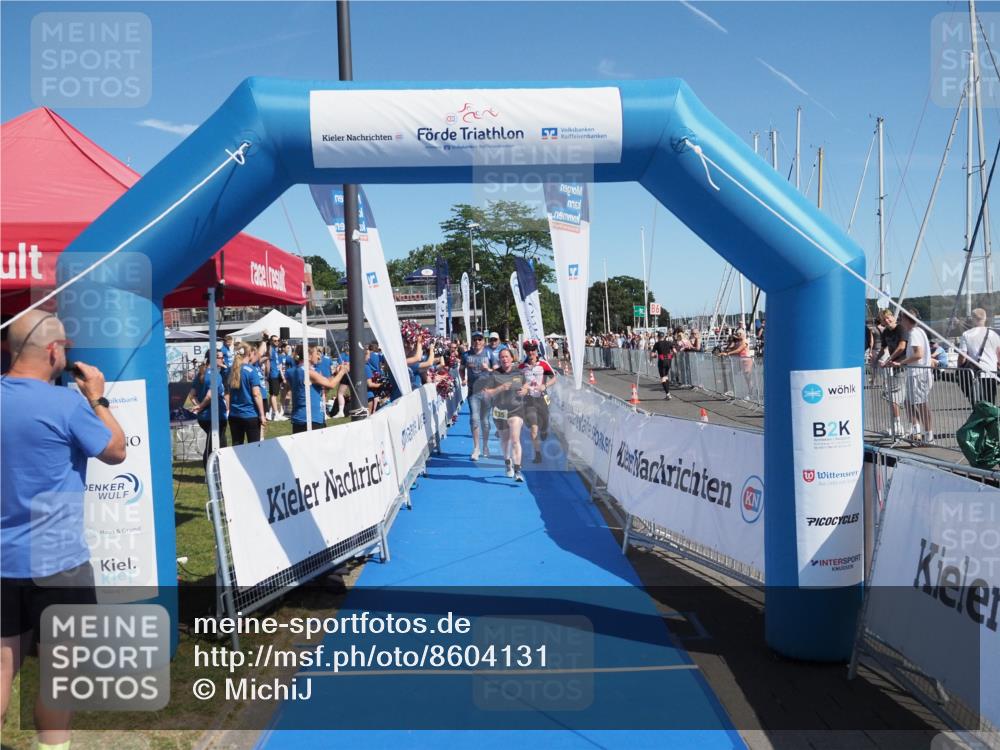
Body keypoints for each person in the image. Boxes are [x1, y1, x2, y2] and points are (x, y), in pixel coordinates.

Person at [1, 310, 127, 750]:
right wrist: (98, 398)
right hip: (59, 565)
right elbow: (116, 450)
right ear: (54, 352)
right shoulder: (67, 405)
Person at [481, 348, 527, 481]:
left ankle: (518, 470)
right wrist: (500, 388)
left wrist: (524, 391)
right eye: (502, 357)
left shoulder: (519, 373)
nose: (504, 359)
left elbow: (525, 386)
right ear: (499, 360)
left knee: (515, 439)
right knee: (505, 440)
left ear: (512, 358)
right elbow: (486, 393)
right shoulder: (494, 374)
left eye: (507, 356)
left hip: (516, 410)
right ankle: (507, 462)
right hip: (500, 411)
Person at [288, 346, 349, 432]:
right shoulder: (308, 372)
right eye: (316, 353)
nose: (318, 356)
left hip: (304, 417)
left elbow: (326, 382)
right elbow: (331, 385)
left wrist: (336, 374)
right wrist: (342, 371)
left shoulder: (296, 371)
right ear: (309, 356)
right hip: (310, 419)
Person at [897, 310, 934, 445]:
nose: (900, 321)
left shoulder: (914, 333)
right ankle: (916, 431)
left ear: (907, 319)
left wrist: (901, 362)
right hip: (916, 373)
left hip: (918, 373)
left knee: (921, 404)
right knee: (909, 402)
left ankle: (928, 435)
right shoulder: (918, 331)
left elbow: (918, 354)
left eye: (901, 318)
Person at [187, 350, 229, 468]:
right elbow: (210, 395)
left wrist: (198, 406)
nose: (223, 360)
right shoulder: (214, 375)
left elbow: (192, 395)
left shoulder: (201, 373)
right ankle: (209, 473)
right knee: (212, 446)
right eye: (220, 357)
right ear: (214, 359)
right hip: (214, 416)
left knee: (220, 444)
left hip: (205, 417)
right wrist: (200, 406)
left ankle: (220, 471)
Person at [519, 340, 556, 463]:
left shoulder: (543, 364)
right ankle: (538, 454)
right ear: (525, 352)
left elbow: (554, 378)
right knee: (534, 428)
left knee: (544, 423)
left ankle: (544, 429)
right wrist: (523, 387)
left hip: (542, 399)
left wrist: (545, 386)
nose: (531, 352)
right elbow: (516, 381)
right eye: (528, 350)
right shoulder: (522, 367)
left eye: (533, 350)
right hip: (529, 400)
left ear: (536, 350)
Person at [461, 332, 493, 460]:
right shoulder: (466, 355)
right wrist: (463, 378)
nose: (477, 342)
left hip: (487, 392)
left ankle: (485, 445)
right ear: (472, 341)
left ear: (483, 341)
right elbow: (461, 369)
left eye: (480, 339)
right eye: (475, 339)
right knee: (474, 418)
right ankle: (476, 448)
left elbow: (497, 370)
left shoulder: (489, 353)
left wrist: (488, 370)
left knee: (485, 421)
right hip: (473, 392)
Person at [958, 307, 1000, 404]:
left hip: (974, 373)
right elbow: (999, 354)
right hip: (991, 372)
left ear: (973, 319)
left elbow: (962, 356)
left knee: (977, 403)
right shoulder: (994, 334)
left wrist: (959, 367)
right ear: (985, 318)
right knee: (990, 403)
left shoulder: (967, 334)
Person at [877, 309, 909, 436]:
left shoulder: (901, 329)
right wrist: (875, 360)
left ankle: (898, 426)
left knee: (892, 396)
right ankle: (901, 425)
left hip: (904, 365)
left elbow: (902, 347)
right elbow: (883, 349)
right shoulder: (885, 332)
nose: (887, 320)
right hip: (894, 367)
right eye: (884, 319)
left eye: (888, 317)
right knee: (896, 397)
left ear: (893, 317)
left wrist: (888, 360)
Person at [227, 343, 267, 444]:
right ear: (249, 354)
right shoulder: (251, 371)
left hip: (234, 415)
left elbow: (228, 393)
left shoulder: (232, 370)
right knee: (254, 447)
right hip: (250, 415)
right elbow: (256, 394)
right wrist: (262, 414)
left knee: (236, 446)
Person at [266, 334, 288, 422]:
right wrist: (267, 374)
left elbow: (278, 364)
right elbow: (267, 361)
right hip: (273, 375)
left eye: (277, 340)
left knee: (273, 394)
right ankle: (276, 414)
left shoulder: (275, 349)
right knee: (274, 395)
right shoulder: (270, 349)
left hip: (277, 374)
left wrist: (282, 376)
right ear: (271, 341)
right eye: (275, 340)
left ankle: (270, 413)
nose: (277, 342)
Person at [650, 331, 676, 400]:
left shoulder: (657, 344)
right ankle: (668, 393)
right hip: (669, 361)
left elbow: (652, 355)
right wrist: (671, 356)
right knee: (666, 376)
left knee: (663, 378)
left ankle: (668, 394)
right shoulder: (669, 343)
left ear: (658, 337)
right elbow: (675, 351)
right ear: (664, 337)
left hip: (662, 361)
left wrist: (655, 356)